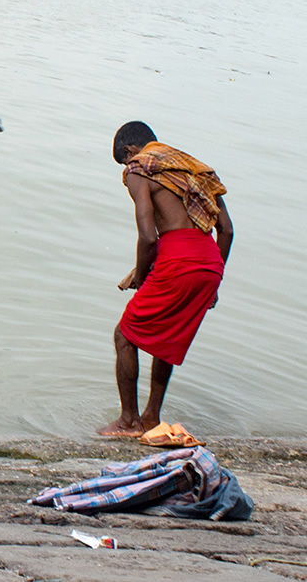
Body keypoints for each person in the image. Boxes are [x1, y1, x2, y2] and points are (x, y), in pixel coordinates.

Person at [98, 122, 233, 437]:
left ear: (130, 151)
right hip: (210, 263)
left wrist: (142, 277)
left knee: (125, 335)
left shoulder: (139, 168)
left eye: (124, 160)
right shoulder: (193, 169)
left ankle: (128, 422)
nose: (126, 168)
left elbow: (147, 237)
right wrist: (215, 281)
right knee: (168, 338)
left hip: (177, 259)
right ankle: (150, 418)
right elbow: (226, 231)